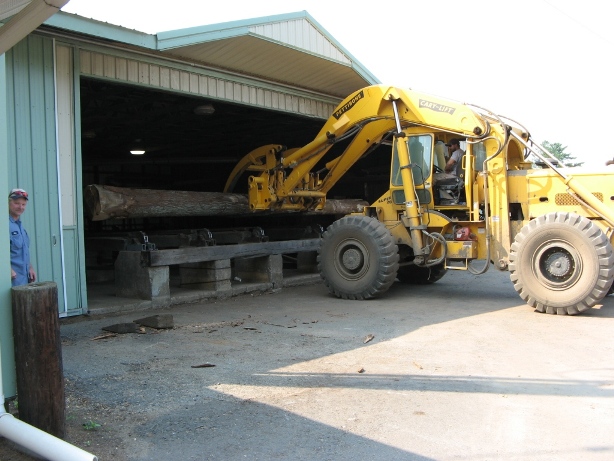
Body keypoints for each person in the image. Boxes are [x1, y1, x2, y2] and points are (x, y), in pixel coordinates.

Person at [9, 188, 36, 286]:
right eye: (16, 203)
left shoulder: (20, 226)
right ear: (9, 203)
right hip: (11, 281)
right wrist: (8, 270)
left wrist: (30, 267)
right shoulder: (4, 225)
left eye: (23, 204)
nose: (20, 207)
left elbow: (23, 251)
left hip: (24, 279)